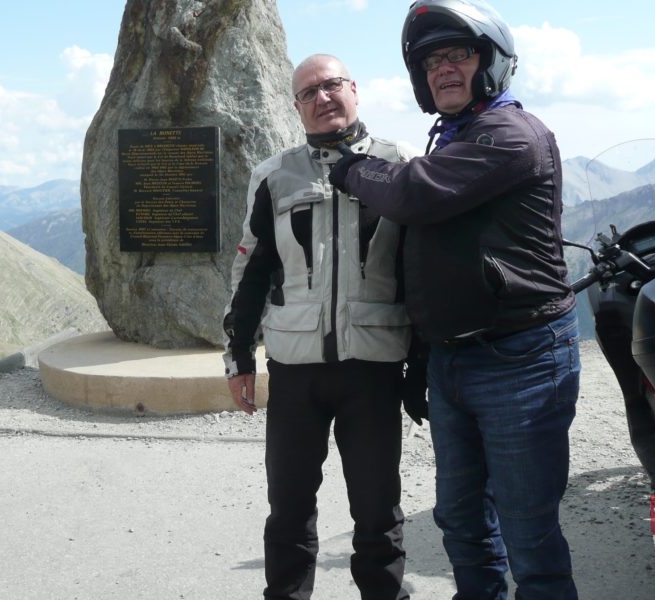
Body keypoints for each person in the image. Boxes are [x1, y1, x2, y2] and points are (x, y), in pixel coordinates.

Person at [328, 1, 582, 599]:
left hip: (520, 358)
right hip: (453, 361)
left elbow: (413, 196)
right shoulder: (455, 138)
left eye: (458, 55)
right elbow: (429, 259)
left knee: (528, 534)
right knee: (462, 520)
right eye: (432, 60)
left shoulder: (512, 135)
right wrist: (423, 355)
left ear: (491, 62)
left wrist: (349, 168)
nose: (442, 69)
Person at [222, 53, 426, 600]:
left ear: (354, 89)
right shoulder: (273, 175)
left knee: (377, 510)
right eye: (308, 92)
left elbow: (424, 272)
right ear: (296, 107)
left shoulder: (402, 163)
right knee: (287, 507)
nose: (322, 98)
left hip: (375, 366)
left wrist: (425, 364)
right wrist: (239, 355)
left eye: (331, 85)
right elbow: (253, 269)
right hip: (294, 370)